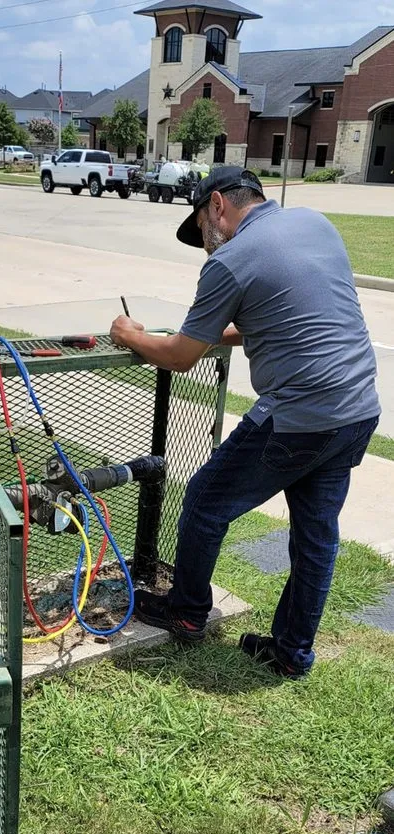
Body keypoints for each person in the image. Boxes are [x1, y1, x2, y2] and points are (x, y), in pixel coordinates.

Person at [110, 166, 380, 680]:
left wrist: (128, 334)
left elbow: (180, 357)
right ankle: (292, 652)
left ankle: (186, 613)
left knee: (206, 500)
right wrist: (210, 331)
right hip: (357, 409)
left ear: (217, 205)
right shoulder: (314, 223)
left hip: (299, 416)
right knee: (316, 538)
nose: (205, 246)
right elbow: (288, 311)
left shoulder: (231, 260)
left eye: (201, 231)